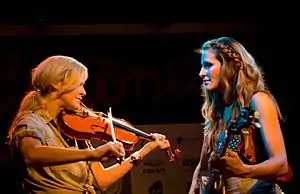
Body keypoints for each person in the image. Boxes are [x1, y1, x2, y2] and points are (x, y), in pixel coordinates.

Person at [7, 55, 171, 194]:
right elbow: (31, 154)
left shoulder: (72, 130)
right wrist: (91, 154)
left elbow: (102, 180)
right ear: (57, 83)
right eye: (79, 84)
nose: (84, 92)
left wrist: (145, 150)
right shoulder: (32, 121)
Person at [189, 37, 290, 193]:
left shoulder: (257, 100)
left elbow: (281, 164)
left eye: (208, 65)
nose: (201, 73)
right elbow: (203, 167)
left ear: (229, 66)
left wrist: (243, 169)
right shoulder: (215, 110)